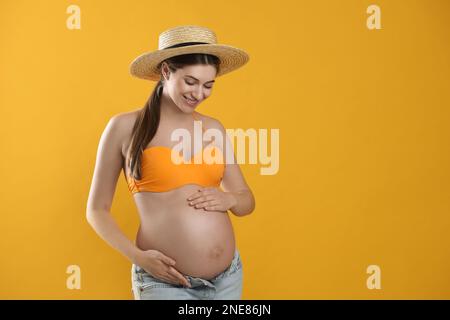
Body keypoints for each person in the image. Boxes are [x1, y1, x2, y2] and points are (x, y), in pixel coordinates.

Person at [86, 25, 255, 300]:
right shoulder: (124, 127)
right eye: (190, 81)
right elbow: (96, 210)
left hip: (228, 279)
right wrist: (138, 257)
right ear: (166, 72)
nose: (199, 93)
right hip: (164, 284)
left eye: (208, 85)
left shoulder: (213, 128)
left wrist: (230, 200)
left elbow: (247, 201)